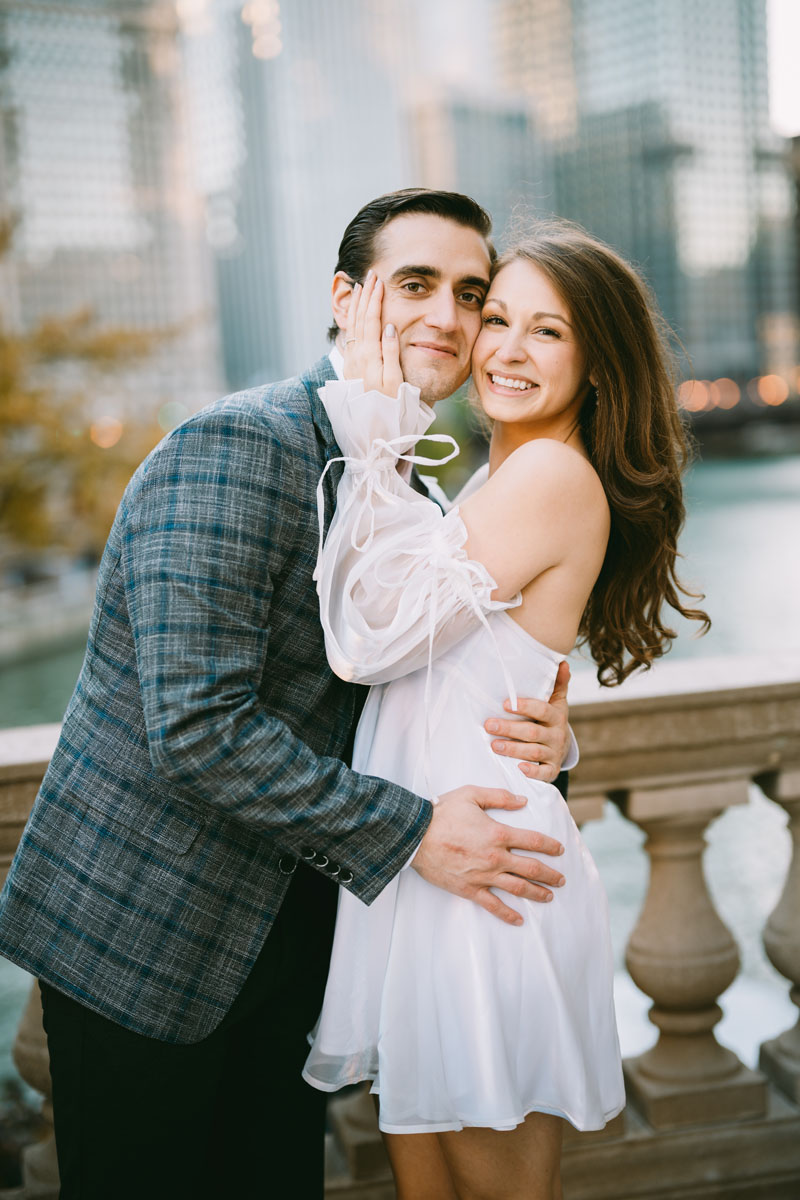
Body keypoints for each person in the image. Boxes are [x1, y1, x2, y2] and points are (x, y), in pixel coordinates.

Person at [0, 190, 576, 1199]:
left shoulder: (408, 485)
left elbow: (428, 689)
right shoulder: (241, 446)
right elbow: (196, 728)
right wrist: (410, 834)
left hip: (296, 942)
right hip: (147, 936)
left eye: (470, 293)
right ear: (346, 298)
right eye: (415, 284)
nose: (447, 315)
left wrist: (544, 735)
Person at [304, 220, 710, 1200]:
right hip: (446, 856)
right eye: (498, 319)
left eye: (549, 332)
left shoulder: (548, 477)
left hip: (489, 873)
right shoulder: (502, 475)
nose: (505, 349)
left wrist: (370, 420)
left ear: (598, 364)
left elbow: (366, 638)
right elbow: (461, 666)